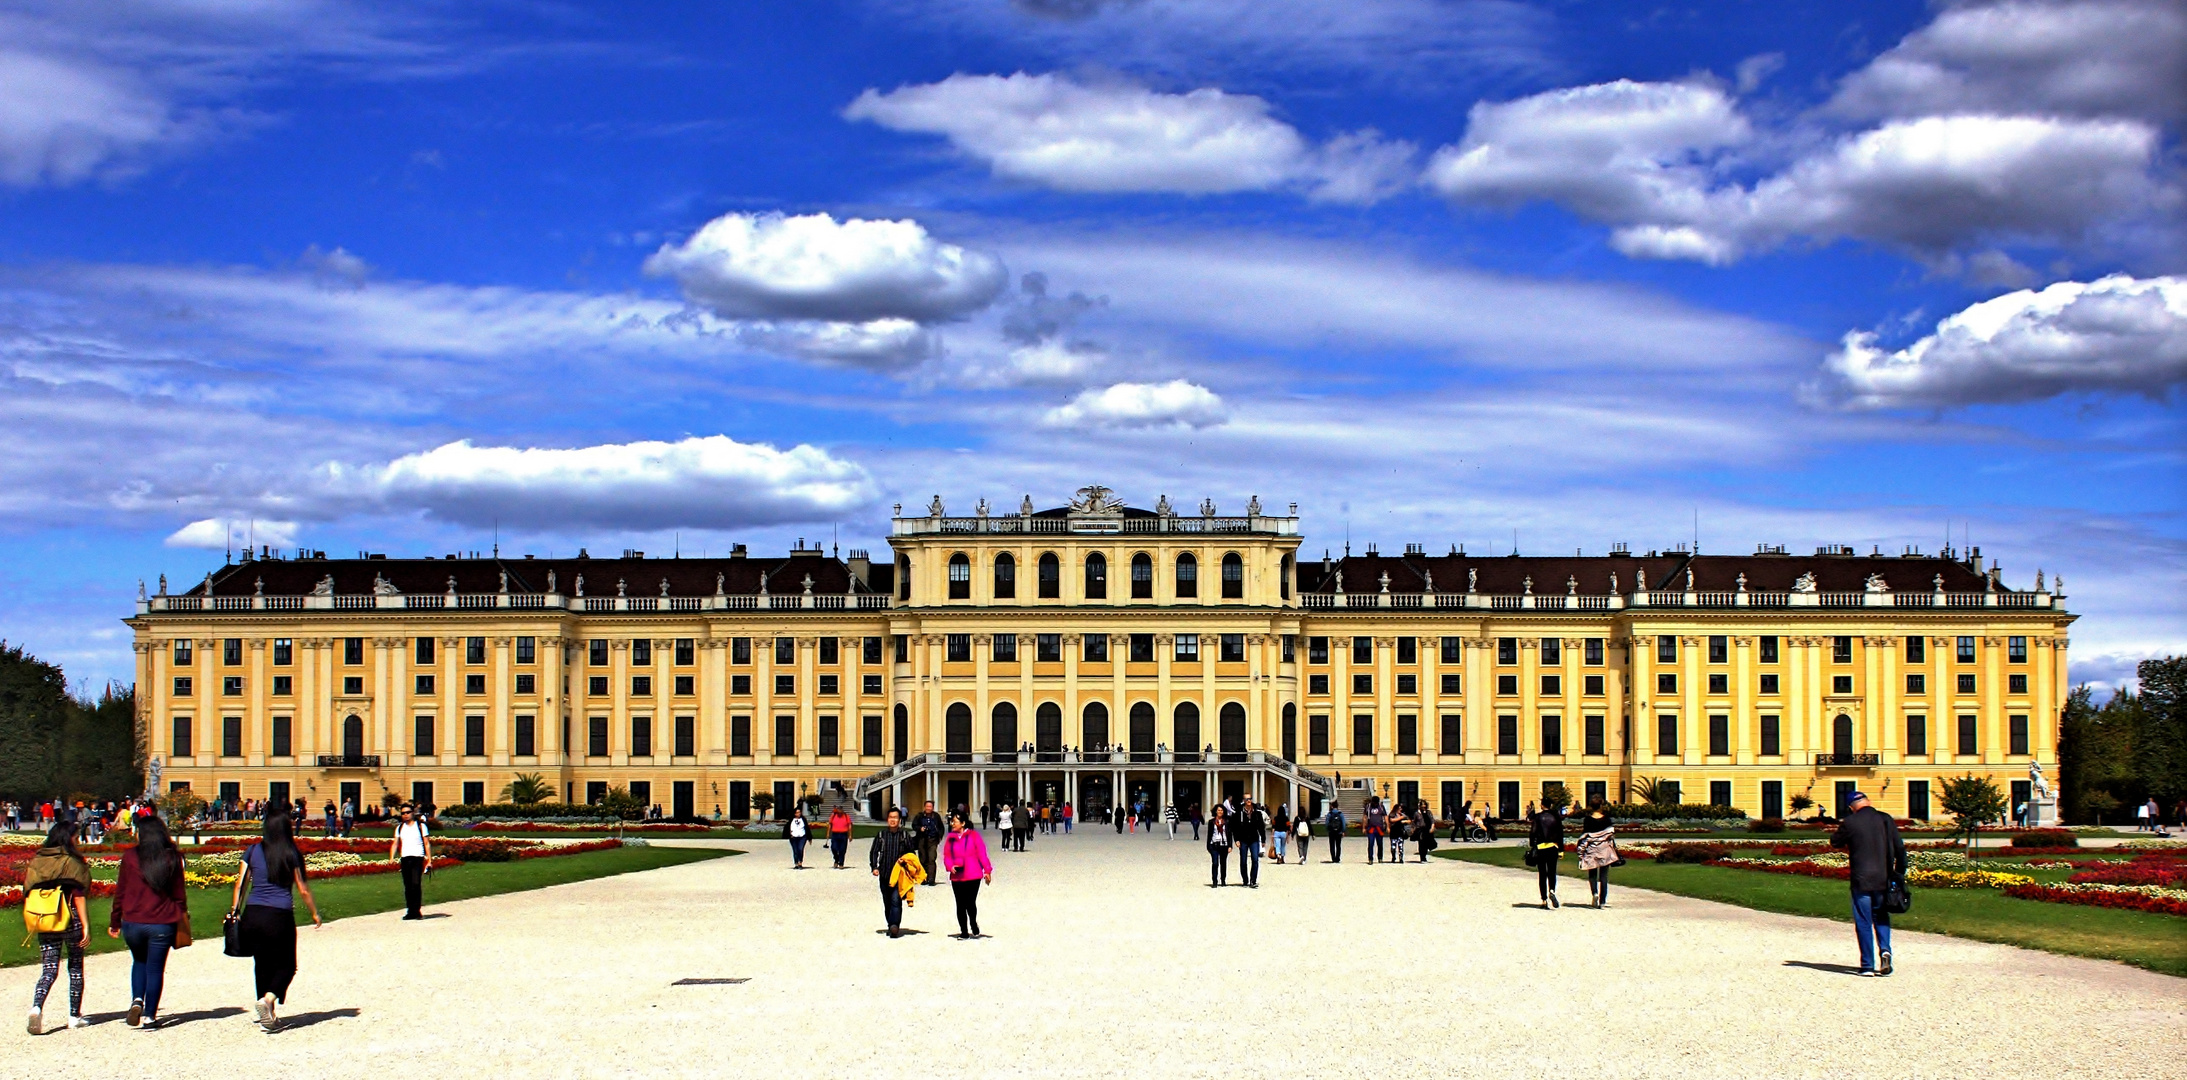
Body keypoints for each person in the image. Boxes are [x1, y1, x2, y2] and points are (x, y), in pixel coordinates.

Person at [229, 811, 323, 1030]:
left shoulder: (252, 851)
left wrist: (235, 911)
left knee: (261, 963)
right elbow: (303, 889)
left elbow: (240, 884)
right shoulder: (291, 852)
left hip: (253, 912)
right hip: (279, 915)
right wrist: (314, 913)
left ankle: (267, 1014)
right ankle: (268, 1000)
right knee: (287, 964)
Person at [110, 813, 187, 1028]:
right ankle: (150, 1016)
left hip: (133, 920)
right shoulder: (171, 857)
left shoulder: (130, 857)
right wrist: (181, 914)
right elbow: (179, 893)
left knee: (139, 961)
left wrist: (115, 920)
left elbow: (121, 891)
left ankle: (137, 1000)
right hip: (161, 921)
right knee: (155, 968)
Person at [23, 822, 92, 1035]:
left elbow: (27, 890)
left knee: (49, 969)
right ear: (69, 837)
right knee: (75, 967)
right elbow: (79, 895)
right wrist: (86, 926)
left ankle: (37, 1006)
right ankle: (74, 1015)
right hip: (70, 918)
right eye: (76, 836)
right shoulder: (72, 862)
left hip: (46, 919)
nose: (78, 840)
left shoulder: (38, 860)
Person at [1831, 790, 1908, 976]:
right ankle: (1885, 950)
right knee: (1881, 916)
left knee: (1863, 921)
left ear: (1851, 808)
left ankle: (1867, 965)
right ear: (1869, 801)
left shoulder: (1850, 822)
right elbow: (1899, 847)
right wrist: (1899, 872)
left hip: (1861, 879)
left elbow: (1835, 842)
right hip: (1884, 878)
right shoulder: (1885, 819)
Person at [940, 811, 993, 939]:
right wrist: (950, 866)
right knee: (960, 904)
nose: (952, 824)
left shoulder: (974, 836)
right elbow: (946, 855)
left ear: (963, 823)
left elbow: (982, 854)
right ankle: (964, 931)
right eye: (952, 821)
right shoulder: (951, 838)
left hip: (973, 874)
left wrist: (987, 870)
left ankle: (973, 923)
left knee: (970, 902)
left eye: (955, 821)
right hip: (957, 876)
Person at [868, 809, 921, 938]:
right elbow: (874, 852)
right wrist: (874, 867)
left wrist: (908, 864)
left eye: (895, 817)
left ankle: (895, 926)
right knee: (887, 902)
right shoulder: (881, 835)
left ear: (899, 820)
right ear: (887, 819)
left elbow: (911, 854)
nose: (893, 820)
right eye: (891, 817)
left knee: (896, 901)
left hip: (899, 876)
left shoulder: (904, 836)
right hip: (885, 874)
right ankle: (890, 924)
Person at [388, 804, 433, 919]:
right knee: (407, 886)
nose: (405, 815)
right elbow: (395, 843)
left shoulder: (421, 826)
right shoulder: (400, 828)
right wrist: (392, 858)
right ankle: (410, 911)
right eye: (403, 813)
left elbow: (427, 843)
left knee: (416, 884)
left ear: (413, 813)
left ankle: (416, 910)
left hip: (417, 857)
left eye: (407, 812)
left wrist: (429, 860)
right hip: (405, 858)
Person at [1575, 797, 1618, 908]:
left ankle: (1594, 893)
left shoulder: (1588, 820)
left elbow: (1585, 836)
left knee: (1592, 874)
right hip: (1604, 849)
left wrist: (1581, 851)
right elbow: (1611, 836)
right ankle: (1602, 901)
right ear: (1601, 806)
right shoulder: (1607, 819)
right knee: (1604, 876)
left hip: (1592, 849)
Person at [1527, 802, 1565, 908]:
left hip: (1541, 847)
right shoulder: (1556, 817)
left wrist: (1532, 844)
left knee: (1542, 874)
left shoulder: (1538, 817)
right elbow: (1560, 834)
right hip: (1553, 847)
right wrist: (1561, 850)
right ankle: (1552, 890)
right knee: (1552, 871)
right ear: (1551, 805)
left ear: (1542, 806)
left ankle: (1544, 900)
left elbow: (1533, 832)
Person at [1234, 798, 1265, 888]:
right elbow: (1235, 827)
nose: (1249, 800)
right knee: (1243, 861)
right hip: (1243, 839)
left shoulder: (1257, 813)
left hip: (1254, 839)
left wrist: (1263, 840)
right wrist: (1236, 839)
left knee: (1255, 859)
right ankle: (1245, 880)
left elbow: (1261, 827)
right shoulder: (1239, 813)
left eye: (1250, 799)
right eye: (1247, 799)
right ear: (1244, 801)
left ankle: (1253, 880)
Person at [912, 801, 944, 882]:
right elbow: (914, 825)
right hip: (922, 839)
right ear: (924, 807)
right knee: (922, 859)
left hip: (932, 840)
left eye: (930, 806)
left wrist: (939, 837)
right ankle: (923, 878)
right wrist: (920, 828)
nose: (928, 808)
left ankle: (931, 879)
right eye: (927, 806)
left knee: (931, 858)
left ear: (932, 807)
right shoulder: (919, 816)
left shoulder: (936, 816)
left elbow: (941, 827)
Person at [1205, 806, 1232, 887]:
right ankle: (1214, 881)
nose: (1220, 812)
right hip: (1214, 845)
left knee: (1223, 863)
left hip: (1224, 844)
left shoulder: (1227, 821)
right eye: (1218, 810)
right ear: (1215, 812)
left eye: (1221, 810)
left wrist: (1230, 845)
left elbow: (1229, 834)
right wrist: (1208, 846)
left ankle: (1223, 880)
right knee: (1215, 863)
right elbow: (1209, 834)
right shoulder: (1211, 822)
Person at [1363, 797, 1387, 864]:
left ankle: (1380, 858)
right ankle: (1370, 858)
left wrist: (1388, 826)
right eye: (1374, 802)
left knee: (1380, 844)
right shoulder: (1368, 807)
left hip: (1379, 828)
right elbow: (1365, 817)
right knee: (1371, 843)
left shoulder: (1381, 807)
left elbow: (1385, 816)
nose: (1375, 804)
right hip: (1371, 828)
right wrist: (1364, 827)